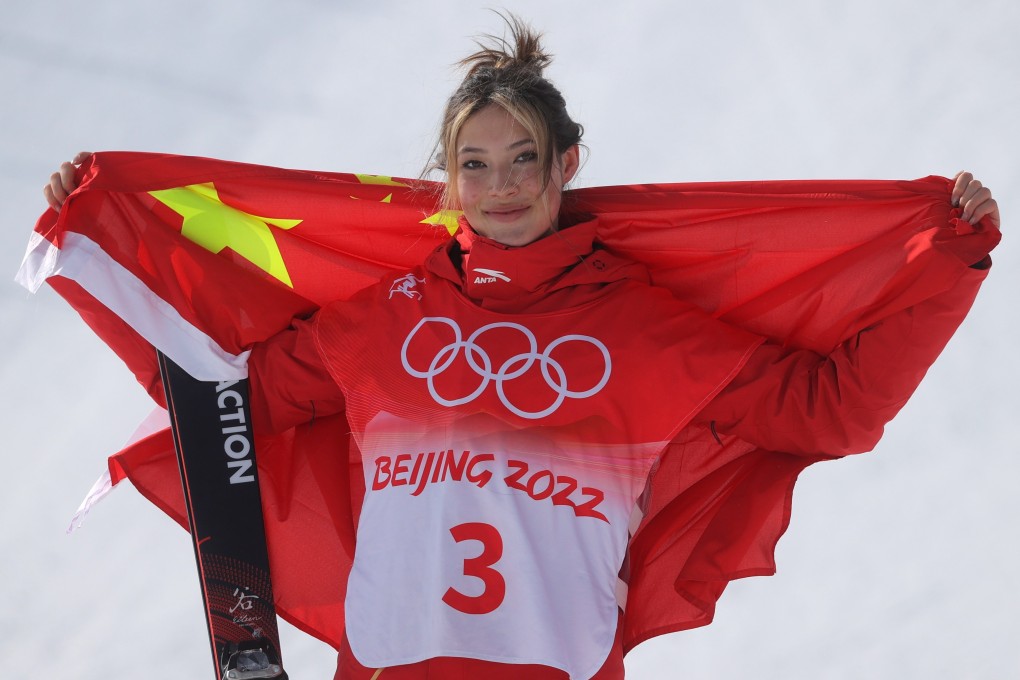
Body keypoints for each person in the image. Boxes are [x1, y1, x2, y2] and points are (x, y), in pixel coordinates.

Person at [44, 16, 1000, 680]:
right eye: (474, 164)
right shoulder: (386, 318)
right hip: (387, 668)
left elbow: (832, 409)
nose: (500, 187)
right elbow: (223, 412)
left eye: (522, 160)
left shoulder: (641, 327)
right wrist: (100, 260)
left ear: (565, 165)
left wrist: (948, 265)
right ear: (447, 182)